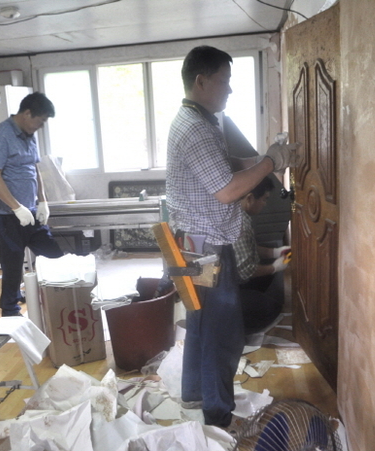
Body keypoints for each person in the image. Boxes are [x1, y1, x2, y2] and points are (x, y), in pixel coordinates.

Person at [166, 45, 298, 429]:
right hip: (208, 248)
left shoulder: (198, 120)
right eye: (224, 81)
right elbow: (226, 190)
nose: (229, 89)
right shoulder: (196, 128)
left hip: (194, 244)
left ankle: (195, 394)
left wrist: (264, 158)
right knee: (223, 335)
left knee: (201, 325)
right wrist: (271, 163)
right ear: (201, 81)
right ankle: (218, 417)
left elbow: (224, 166)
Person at [0, 92, 63, 317]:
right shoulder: (1, 135)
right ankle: (10, 309)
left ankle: (60, 294)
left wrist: (43, 200)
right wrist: (16, 207)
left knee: (53, 254)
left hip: (31, 210)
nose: (41, 126)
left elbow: (34, 169)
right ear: (27, 113)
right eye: (40, 121)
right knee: (13, 261)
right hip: (5, 215)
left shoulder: (30, 136)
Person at [234, 176, 290, 334]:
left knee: (267, 277)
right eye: (264, 199)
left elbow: (248, 247)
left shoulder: (238, 214)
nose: (265, 204)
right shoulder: (240, 225)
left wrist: (274, 252)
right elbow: (245, 271)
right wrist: (274, 267)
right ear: (250, 198)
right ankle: (237, 328)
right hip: (227, 289)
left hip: (231, 281)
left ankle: (248, 303)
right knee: (273, 309)